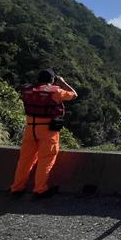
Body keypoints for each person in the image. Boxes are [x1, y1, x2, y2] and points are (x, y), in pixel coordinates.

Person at [10, 68, 77, 198]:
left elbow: (22, 89)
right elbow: (74, 94)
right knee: (46, 160)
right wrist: (62, 82)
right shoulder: (56, 91)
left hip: (30, 128)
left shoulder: (27, 89)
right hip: (47, 131)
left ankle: (17, 188)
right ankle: (40, 189)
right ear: (52, 80)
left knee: (24, 160)